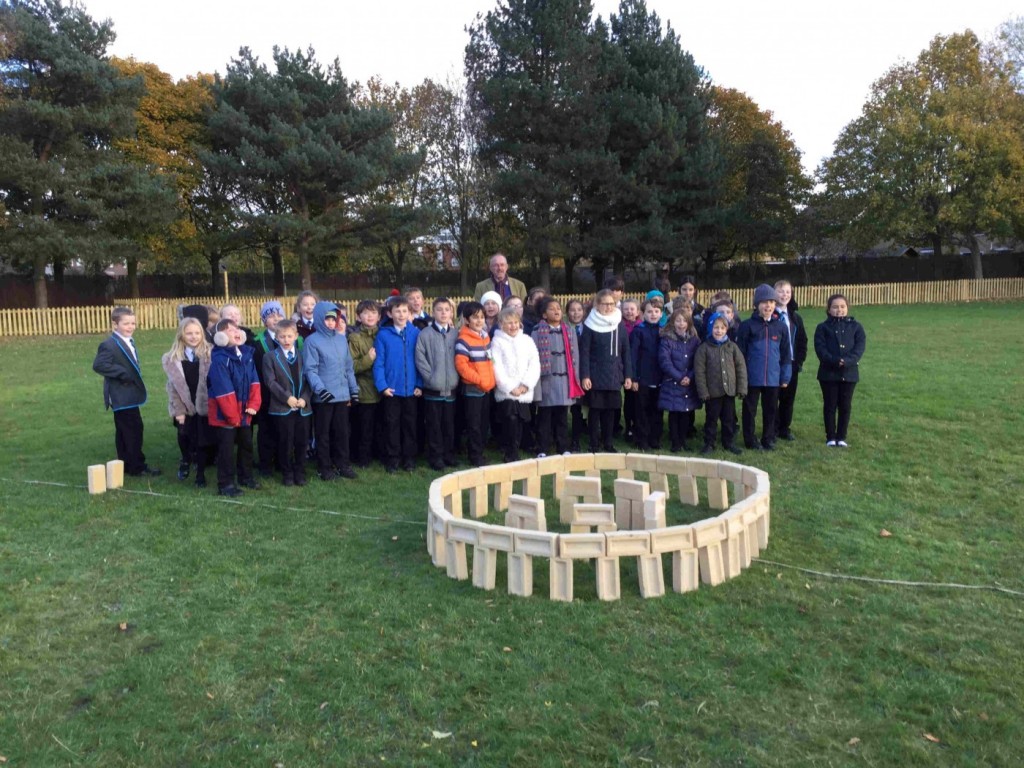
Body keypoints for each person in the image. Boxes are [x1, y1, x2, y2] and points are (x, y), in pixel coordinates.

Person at [92, 307, 160, 477]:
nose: (130, 327)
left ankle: (126, 464)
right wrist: (123, 373)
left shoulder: (128, 340)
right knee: (133, 428)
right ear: (115, 324)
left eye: (133, 323)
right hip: (120, 394)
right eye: (126, 323)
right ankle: (137, 466)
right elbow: (99, 365)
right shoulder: (109, 344)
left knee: (125, 430)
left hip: (129, 393)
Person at [304, 301, 359, 481]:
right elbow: (310, 370)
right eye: (327, 318)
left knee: (342, 432)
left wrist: (353, 389)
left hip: (342, 395)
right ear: (320, 318)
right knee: (323, 433)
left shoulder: (341, 339)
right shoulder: (312, 341)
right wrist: (321, 390)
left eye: (334, 319)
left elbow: (348, 367)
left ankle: (343, 464)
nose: (330, 322)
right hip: (324, 397)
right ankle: (324, 467)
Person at [207, 318, 261, 496]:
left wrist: (254, 404)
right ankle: (226, 484)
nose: (236, 332)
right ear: (220, 336)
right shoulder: (220, 359)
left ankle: (246, 477)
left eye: (237, 329)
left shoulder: (246, 354)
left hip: (245, 412)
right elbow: (224, 390)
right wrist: (232, 416)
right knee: (226, 450)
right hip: (227, 415)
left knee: (246, 445)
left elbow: (254, 381)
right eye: (230, 330)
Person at [736, 284, 792, 451]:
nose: (768, 306)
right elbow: (740, 354)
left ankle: (768, 438)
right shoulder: (747, 326)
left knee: (770, 410)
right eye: (764, 302)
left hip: (773, 377)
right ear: (756, 304)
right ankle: (750, 440)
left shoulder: (780, 326)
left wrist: (785, 376)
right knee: (750, 410)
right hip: (752, 377)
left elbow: (786, 354)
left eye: (771, 302)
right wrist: (742, 377)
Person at [579, 289, 633, 452]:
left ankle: (608, 443)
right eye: (605, 304)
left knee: (610, 411)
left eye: (612, 304)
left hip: (614, 374)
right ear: (597, 305)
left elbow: (626, 351)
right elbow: (585, 352)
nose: (609, 307)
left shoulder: (619, 323)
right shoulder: (590, 324)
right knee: (595, 411)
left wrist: (628, 375)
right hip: (595, 374)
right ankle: (594, 443)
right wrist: (585, 375)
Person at [373, 296, 423, 472]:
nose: (401, 315)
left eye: (404, 311)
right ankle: (392, 459)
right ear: (390, 313)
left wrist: (419, 384)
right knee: (392, 425)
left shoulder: (416, 333)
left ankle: (409, 459)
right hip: (392, 390)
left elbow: (421, 361)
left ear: (410, 313)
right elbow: (379, 362)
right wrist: (383, 386)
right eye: (397, 311)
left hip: (411, 390)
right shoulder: (383, 335)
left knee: (410, 426)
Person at [162, 317, 212, 486]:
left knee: (202, 438)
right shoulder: (173, 358)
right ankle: (185, 459)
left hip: (203, 403)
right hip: (184, 402)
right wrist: (179, 410)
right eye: (189, 333)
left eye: (197, 333)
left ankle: (200, 473)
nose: (193, 336)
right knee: (184, 434)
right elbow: (173, 387)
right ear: (182, 335)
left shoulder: (209, 354)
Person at [262, 319, 312, 486]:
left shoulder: (303, 355)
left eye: (289, 336)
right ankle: (287, 472)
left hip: (302, 407)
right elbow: (270, 382)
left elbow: (310, 380)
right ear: (277, 337)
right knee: (285, 441)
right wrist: (286, 398)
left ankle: (300, 471)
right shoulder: (269, 357)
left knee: (301, 441)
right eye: (282, 337)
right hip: (282, 408)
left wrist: (305, 398)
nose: (286, 340)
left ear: (296, 336)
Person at [532, 297, 582, 457]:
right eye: (552, 309)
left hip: (564, 381)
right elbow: (533, 359)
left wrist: (576, 378)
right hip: (546, 381)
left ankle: (563, 447)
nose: (557, 311)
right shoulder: (537, 332)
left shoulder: (569, 331)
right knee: (545, 418)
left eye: (558, 308)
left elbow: (576, 357)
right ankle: (543, 448)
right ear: (544, 315)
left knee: (562, 416)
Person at [814, 293, 866, 448]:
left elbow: (859, 348)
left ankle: (841, 436)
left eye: (842, 307)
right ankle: (830, 436)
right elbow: (820, 349)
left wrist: (848, 360)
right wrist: (835, 360)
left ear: (847, 308)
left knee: (845, 405)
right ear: (829, 309)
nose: (839, 310)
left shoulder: (856, 327)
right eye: (835, 307)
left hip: (849, 373)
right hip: (828, 373)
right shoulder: (822, 328)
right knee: (830, 405)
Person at [490, 307, 541, 462]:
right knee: (510, 417)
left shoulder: (527, 340)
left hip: (524, 390)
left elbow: (534, 363)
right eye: (508, 323)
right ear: (501, 324)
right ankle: (510, 451)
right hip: (507, 391)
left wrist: (526, 385)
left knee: (521, 419)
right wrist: (510, 387)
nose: (512, 326)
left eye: (515, 323)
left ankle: (517, 446)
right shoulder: (497, 342)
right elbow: (496, 366)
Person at [415, 297, 460, 470]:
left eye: (446, 310)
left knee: (449, 425)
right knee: (434, 426)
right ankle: (436, 457)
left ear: (451, 313)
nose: (443, 313)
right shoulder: (425, 334)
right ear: (433, 312)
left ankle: (449, 455)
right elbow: (420, 359)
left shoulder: (455, 334)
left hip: (451, 390)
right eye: (439, 309)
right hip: (433, 389)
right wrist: (431, 379)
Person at [694, 312, 747, 455]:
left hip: (729, 391)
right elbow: (699, 372)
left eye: (722, 328)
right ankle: (709, 443)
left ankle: (728, 442)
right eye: (716, 328)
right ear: (710, 328)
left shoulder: (732, 347)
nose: (719, 331)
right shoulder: (704, 348)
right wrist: (703, 392)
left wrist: (741, 388)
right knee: (711, 419)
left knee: (729, 419)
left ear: (726, 329)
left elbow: (740, 367)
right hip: (712, 393)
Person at [454, 301, 496, 467]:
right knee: (474, 425)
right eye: (475, 318)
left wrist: (489, 381)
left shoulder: (485, 337)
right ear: (466, 320)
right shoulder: (463, 340)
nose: (479, 321)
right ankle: (474, 456)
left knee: (483, 424)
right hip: (473, 389)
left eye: (482, 317)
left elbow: (490, 360)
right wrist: (480, 380)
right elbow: (462, 366)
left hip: (486, 388)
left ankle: (480, 452)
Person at [250, 300, 286, 477]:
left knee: (284, 430)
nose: (276, 319)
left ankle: (282, 461)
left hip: (287, 394)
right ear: (265, 321)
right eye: (271, 316)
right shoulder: (258, 342)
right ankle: (265, 464)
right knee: (266, 430)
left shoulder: (294, 340)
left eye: (279, 315)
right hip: (267, 394)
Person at [658, 309, 702, 452]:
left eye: (684, 320)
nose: (681, 324)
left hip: (688, 381)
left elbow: (698, 361)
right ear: (672, 322)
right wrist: (679, 377)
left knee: (685, 413)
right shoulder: (667, 340)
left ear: (688, 323)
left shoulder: (694, 340)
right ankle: (675, 442)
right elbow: (665, 361)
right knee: (674, 413)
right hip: (673, 381)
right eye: (678, 320)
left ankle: (683, 441)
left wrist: (689, 376)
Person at [348, 300, 382, 468]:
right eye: (366, 313)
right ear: (358, 317)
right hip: (364, 389)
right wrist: (368, 359)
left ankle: (379, 454)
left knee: (380, 426)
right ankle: (363, 458)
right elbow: (351, 366)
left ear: (379, 316)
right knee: (364, 427)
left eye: (373, 313)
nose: (370, 316)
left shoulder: (383, 334)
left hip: (383, 389)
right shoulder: (355, 338)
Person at [773, 280, 808, 441]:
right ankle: (772, 428)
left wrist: (799, 361)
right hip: (774, 364)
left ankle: (784, 428)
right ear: (774, 293)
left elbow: (802, 340)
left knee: (788, 398)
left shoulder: (795, 317)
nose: (784, 295)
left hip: (791, 363)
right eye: (781, 291)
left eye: (787, 291)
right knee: (773, 397)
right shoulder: (769, 314)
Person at [630, 298, 665, 449]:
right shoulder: (639, 331)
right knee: (641, 411)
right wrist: (634, 378)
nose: (653, 314)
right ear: (643, 314)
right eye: (649, 311)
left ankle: (655, 438)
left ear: (661, 313)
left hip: (659, 378)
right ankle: (642, 439)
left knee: (657, 411)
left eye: (656, 311)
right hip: (642, 379)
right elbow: (633, 355)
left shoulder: (664, 331)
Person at [565, 299, 587, 452]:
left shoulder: (589, 328)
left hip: (584, 372)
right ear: (567, 313)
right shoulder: (564, 329)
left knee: (582, 407)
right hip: (569, 373)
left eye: (579, 309)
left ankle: (579, 435)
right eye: (572, 310)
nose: (576, 313)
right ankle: (570, 439)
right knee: (572, 407)